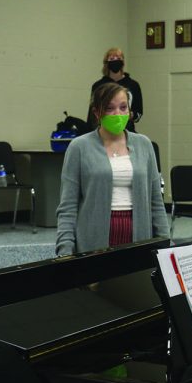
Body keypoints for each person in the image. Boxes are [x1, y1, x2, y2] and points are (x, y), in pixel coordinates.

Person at [56, 82, 168, 256]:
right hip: (93, 240)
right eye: (110, 108)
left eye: (123, 107)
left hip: (138, 237)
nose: (118, 114)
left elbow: (156, 201)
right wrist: (65, 250)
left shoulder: (144, 144)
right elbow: (68, 206)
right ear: (97, 112)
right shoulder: (79, 147)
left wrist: (164, 241)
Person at [87, 47, 143, 132]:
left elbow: (138, 112)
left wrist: (127, 115)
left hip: (127, 129)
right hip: (103, 130)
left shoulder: (133, 85)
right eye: (112, 59)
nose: (115, 61)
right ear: (106, 63)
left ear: (123, 62)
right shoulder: (98, 85)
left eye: (118, 58)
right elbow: (92, 115)